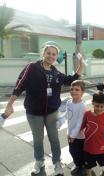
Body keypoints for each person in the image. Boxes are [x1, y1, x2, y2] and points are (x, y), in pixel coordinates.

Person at [3, 43, 84, 175]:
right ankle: (39, 161)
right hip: (34, 112)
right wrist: (10, 104)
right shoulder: (31, 67)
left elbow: (72, 79)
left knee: (54, 138)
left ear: (56, 57)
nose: (51, 56)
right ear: (43, 54)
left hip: (51, 112)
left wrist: (81, 64)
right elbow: (19, 85)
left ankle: (57, 162)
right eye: (49, 53)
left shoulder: (56, 73)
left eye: (54, 54)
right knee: (38, 139)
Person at [56, 80, 86, 175]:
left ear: (82, 92)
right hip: (70, 133)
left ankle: (82, 166)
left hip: (79, 135)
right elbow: (67, 114)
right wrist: (60, 121)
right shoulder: (69, 102)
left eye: (77, 90)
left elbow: (79, 122)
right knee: (72, 150)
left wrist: (73, 135)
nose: (73, 91)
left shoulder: (82, 106)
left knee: (78, 152)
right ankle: (78, 164)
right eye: (72, 89)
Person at [81, 92, 104, 176]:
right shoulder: (87, 113)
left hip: (100, 144)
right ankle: (88, 173)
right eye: (97, 106)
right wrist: (73, 135)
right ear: (92, 103)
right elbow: (82, 125)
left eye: (102, 107)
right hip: (88, 145)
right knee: (88, 165)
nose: (99, 109)